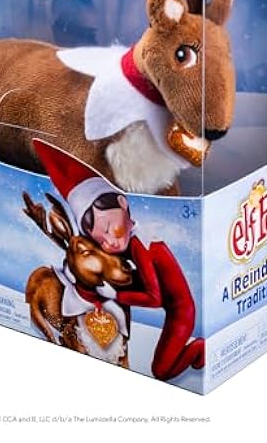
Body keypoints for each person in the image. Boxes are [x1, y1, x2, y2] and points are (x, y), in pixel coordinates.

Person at [32, 139, 204, 380]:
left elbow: (154, 298)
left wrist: (114, 294)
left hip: (181, 312)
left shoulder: (141, 245)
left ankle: (200, 351)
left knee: (161, 371)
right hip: (163, 304)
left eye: (109, 228)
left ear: (123, 203)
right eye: (100, 240)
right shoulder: (125, 244)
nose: (110, 243)